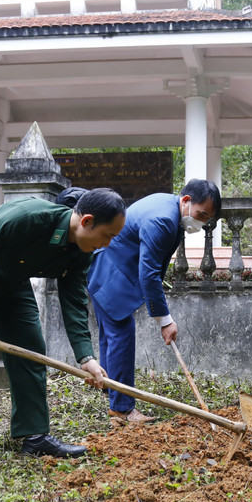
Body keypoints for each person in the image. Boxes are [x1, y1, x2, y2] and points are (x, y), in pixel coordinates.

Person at [0, 189, 126, 474]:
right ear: (86, 221)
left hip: (13, 282)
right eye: (107, 235)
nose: (107, 243)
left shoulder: (81, 251)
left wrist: (86, 357)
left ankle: (35, 436)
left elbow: (74, 301)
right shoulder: (28, 217)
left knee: (31, 350)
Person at [87, 179, 221, 423]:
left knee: (112, 333)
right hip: (111, 273)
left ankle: (111, 389)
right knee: (120, 334)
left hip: (109, 268)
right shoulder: (163, 220)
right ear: (187, 201)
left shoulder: (170, 207)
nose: (201, 223)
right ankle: (122, 408)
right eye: (201, 215)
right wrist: (165, 320)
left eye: (206, 219)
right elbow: (148, 273)